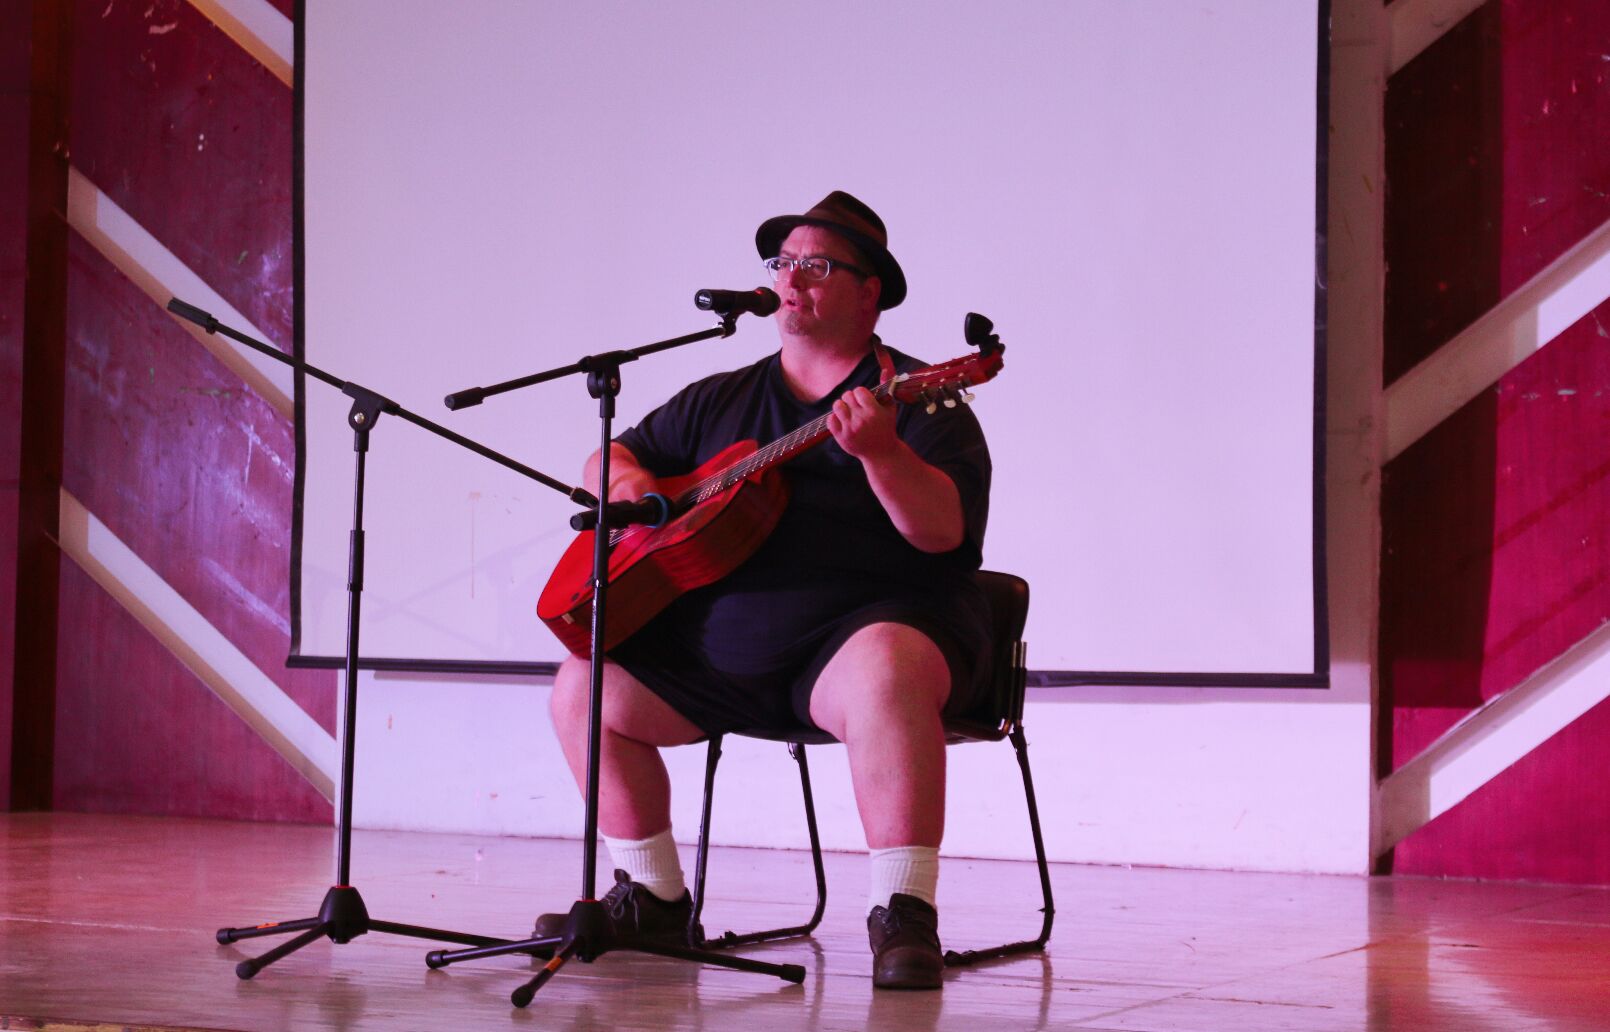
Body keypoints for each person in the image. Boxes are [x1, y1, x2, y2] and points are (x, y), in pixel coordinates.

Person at [540, 191, 992, 990]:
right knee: (583, 684)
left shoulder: (925, 398)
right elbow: (609, 458)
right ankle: (652, 897)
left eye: (816, 266)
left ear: (869, 292)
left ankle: (903, 910)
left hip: (851, 647)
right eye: (784, 263)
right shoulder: (720, 397)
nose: (791, 279)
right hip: (716, 657)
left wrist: (883, 455)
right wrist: (632, 486)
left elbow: (943, 533)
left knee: (885, 666)